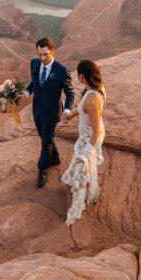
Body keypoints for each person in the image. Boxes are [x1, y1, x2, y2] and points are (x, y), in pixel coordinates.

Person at [22, 37, 75, 188]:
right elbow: (34, 81)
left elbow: (70, 92)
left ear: (52, 51)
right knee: (45, 137)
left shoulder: (61, 70)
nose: (42, 58)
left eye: (45, 54)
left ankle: (42, 169)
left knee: (45, 143)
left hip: (52, 113)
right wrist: (26, 92)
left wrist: (67, 110)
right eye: (39, 54)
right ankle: (56, 157)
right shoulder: (34, 63)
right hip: (37, 109)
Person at [61, 60, 106, 225]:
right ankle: (87, 193)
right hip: (89, 134)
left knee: (83, 169)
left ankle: (75, 212)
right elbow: (82, 110)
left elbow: (96, 131)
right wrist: (70, 115)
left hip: (90, 137)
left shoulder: (90, 99)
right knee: (85, 168)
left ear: (81, 77)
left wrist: (87, 151)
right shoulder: (98, 89)